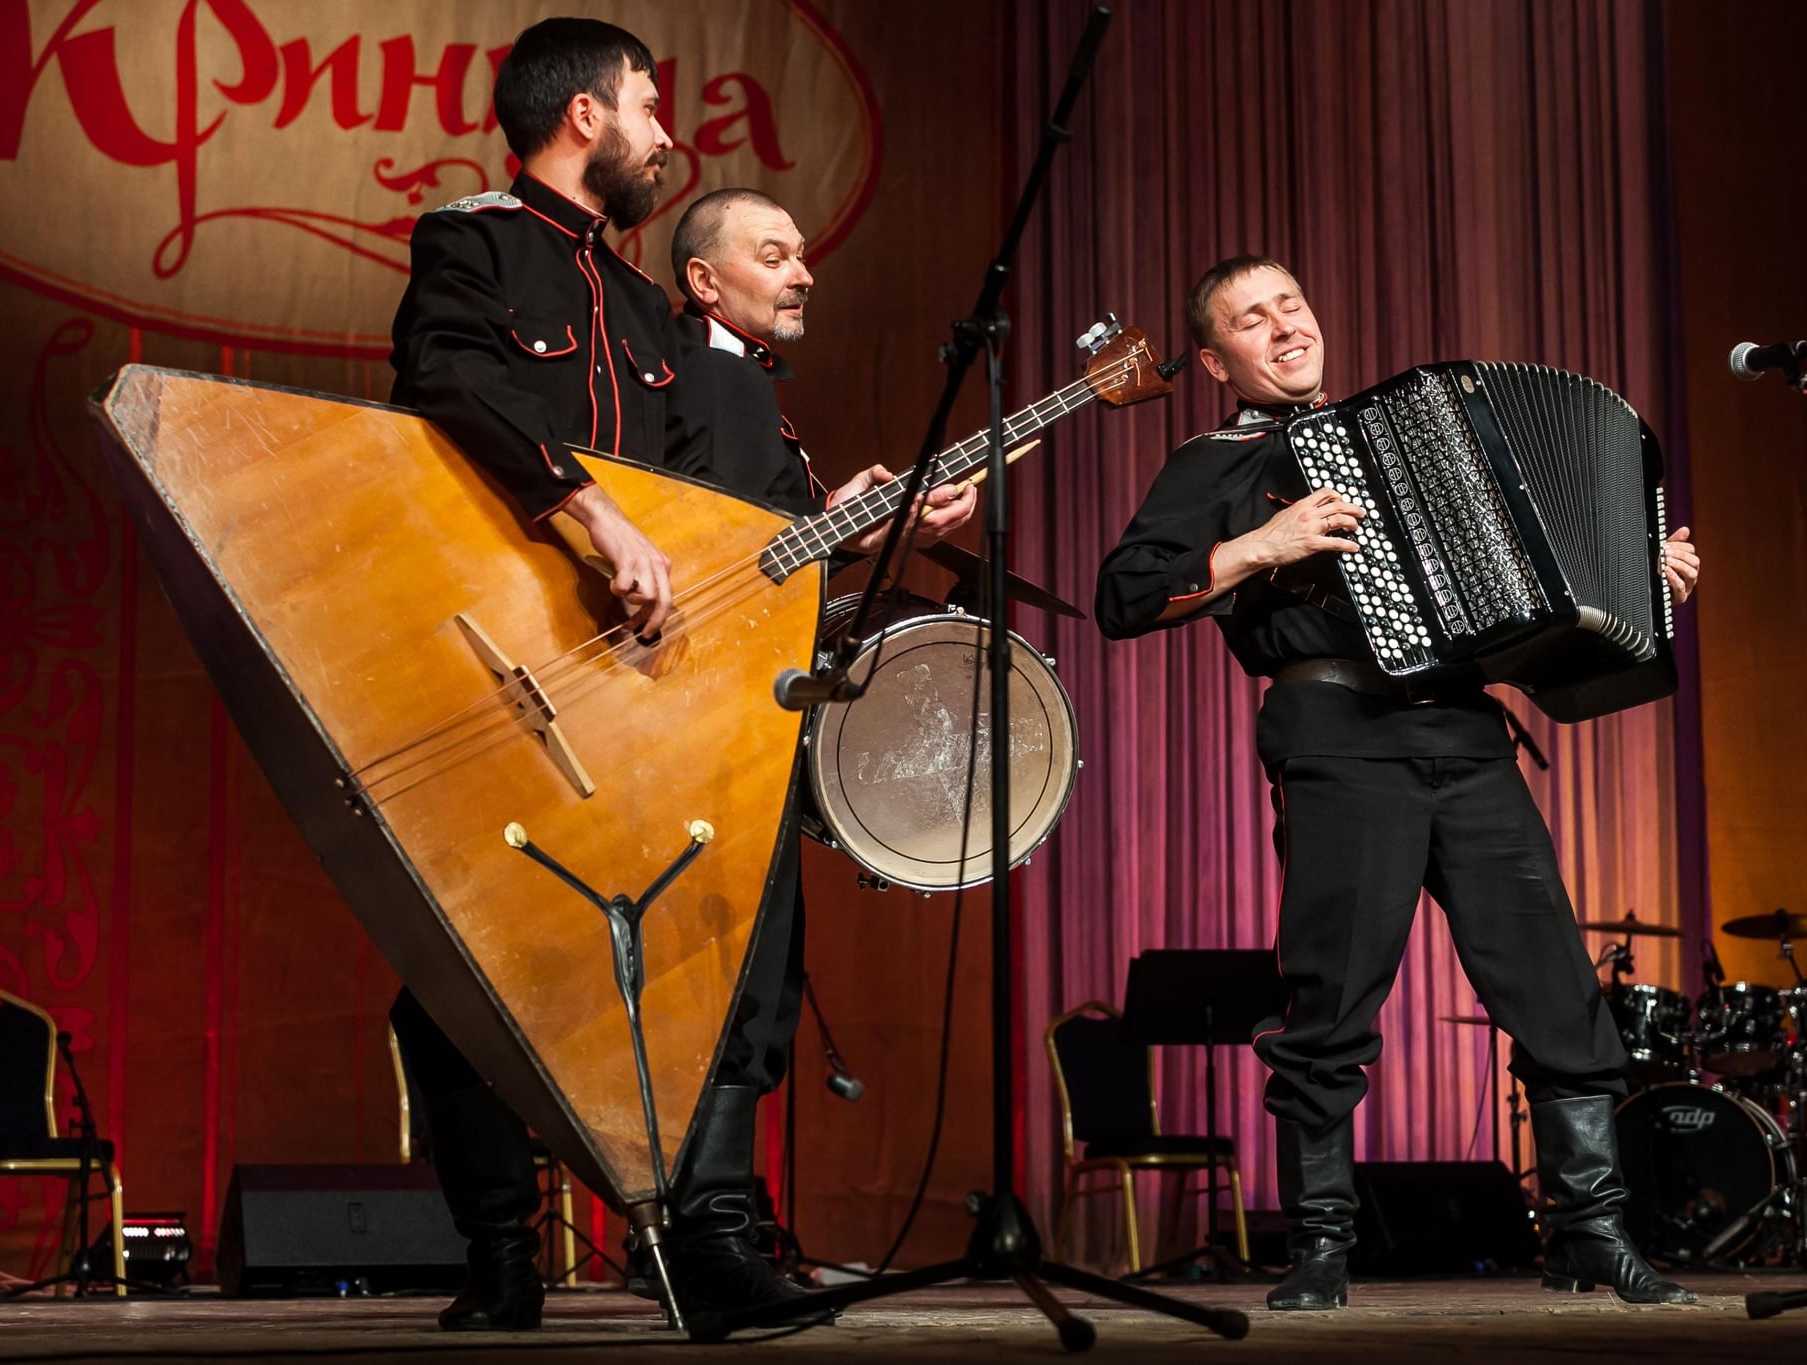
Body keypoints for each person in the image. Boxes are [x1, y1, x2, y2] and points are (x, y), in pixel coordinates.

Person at [386, 19, 971, 1331]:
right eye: (649, 108)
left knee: (725, 937)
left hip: (647, 677)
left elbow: (723, 503)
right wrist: (595, 516)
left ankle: (705, 1240)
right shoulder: (471, 242)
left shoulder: (653, 311)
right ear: (586, 114)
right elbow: (452, 387)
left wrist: (845, 519)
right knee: (462, 972)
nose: (667, 136)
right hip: (505, 655)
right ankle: (500, 1249)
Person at [1095, 256, 1702, 1312]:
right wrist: (1256, 547)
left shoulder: (1415, 438)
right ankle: (1320, 1247)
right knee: (1329, 998)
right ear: (1210, 359)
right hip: (1336, 740)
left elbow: (1522, 598)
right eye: (1250, 318)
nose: (1282, 326)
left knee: (1553, 988)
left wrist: (1637, 581)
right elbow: (1123, 595)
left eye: (1290, 303)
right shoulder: (1215, 459)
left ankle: (1590, 1233)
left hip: (1466, 739)